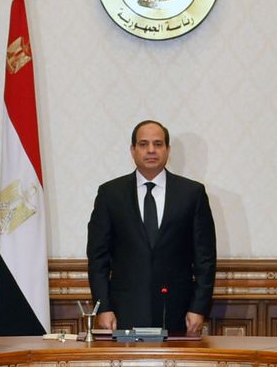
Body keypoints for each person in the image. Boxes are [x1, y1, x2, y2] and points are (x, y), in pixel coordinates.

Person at [86, 120, 216, 335]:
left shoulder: (192, 193)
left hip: (179, 312)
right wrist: (103, 307)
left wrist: (198, 307)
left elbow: (205, 258)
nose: (151, 150)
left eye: (158, 144)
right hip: (123, 312)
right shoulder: (110, 194)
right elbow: (98, 257)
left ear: (168, 150)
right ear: (133, 150)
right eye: (143, 144)